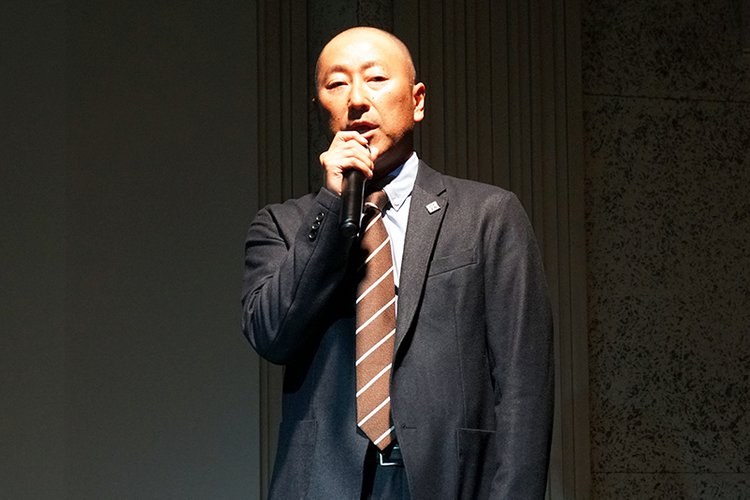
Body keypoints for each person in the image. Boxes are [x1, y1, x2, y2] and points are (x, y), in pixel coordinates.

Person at [242, 26, 554, 499]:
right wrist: (331, 206)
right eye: (337, 84)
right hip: (324, 484)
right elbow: (272, 335)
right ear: (319, 108)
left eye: (376, 78)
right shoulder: (284, 224)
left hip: (447, 481)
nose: (357, 100)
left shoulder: (488, 216)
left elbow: (524, 384)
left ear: (417, 100)